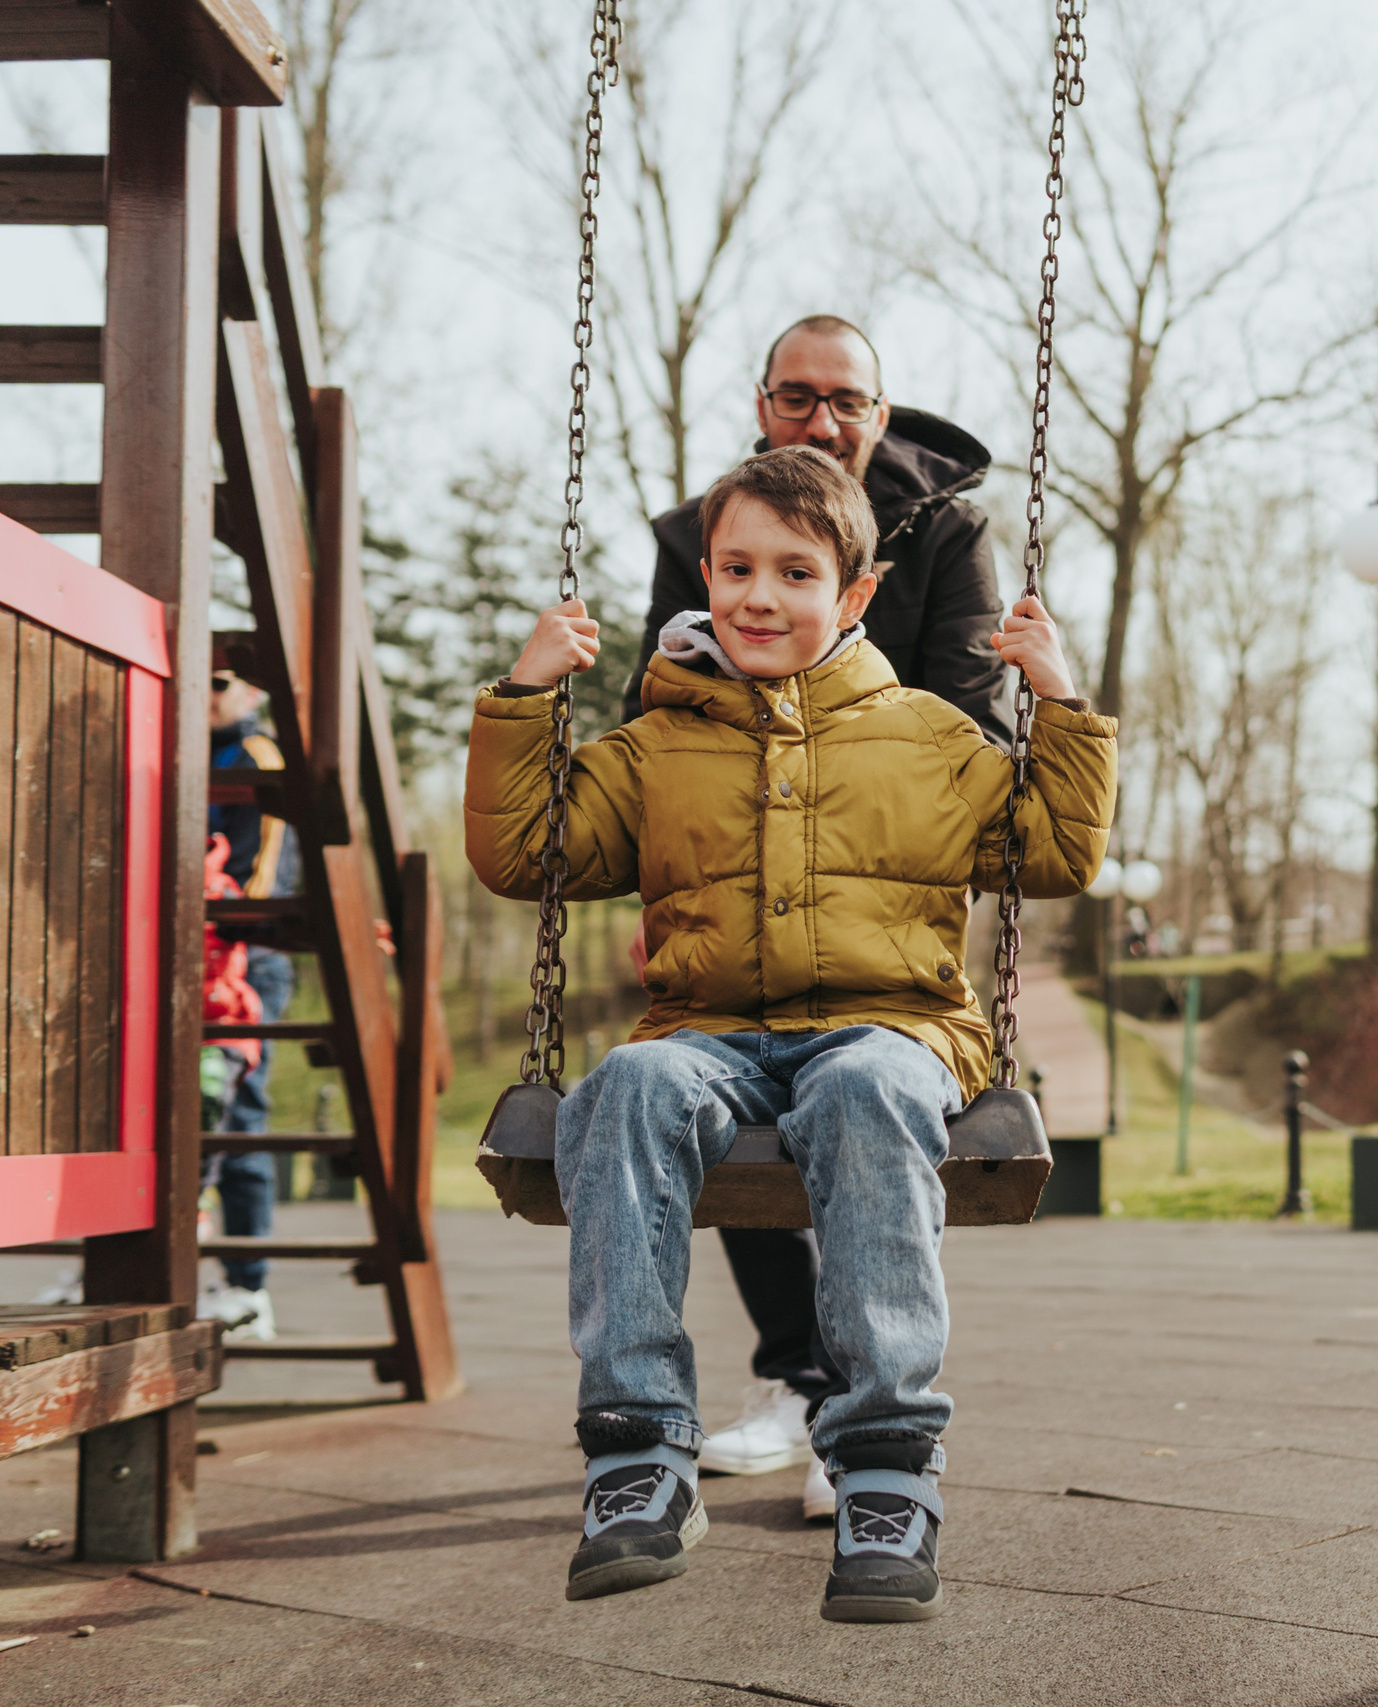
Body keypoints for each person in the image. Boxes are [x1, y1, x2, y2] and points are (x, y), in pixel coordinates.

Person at [467, 444, 1113, 1619]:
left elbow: (1056, 852)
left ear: (853, 595)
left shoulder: (926, 734)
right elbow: (529, 855)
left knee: (864, 1088)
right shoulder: (657, 745)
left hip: (891, 1023)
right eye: (735, 568)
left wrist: (1058, 703)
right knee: (626, 1086)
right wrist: (525, 699)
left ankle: (882, 1464)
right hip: (710, 1030)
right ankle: (637, 1452)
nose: (759, 596)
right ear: (703, 576)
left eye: (795, 572)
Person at [621, 315, 1008, 1522]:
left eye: (846, 399)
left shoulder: (944, 529)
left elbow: (971, 699)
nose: (822, 420)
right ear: (761, 404)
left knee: (863, 1101)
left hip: (885, 860)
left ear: (880, 414)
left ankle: (862, 1402)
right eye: (796, 397)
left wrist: (875, 785)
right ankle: (796, 1371)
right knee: (705, 1057)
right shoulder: (704, 531)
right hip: (734, 856)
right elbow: (663, 687)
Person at [200, 669, 300, 1341]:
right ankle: (218, 1277)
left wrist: (229, 917)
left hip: (246, 952)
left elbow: (258, 863)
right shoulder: (201, 754)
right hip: (204, 950)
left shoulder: (255, 753)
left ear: (253, 692)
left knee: (237, 1114)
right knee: (195, 1116)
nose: (206, 691)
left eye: (220, 680)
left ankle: (249, 1287)